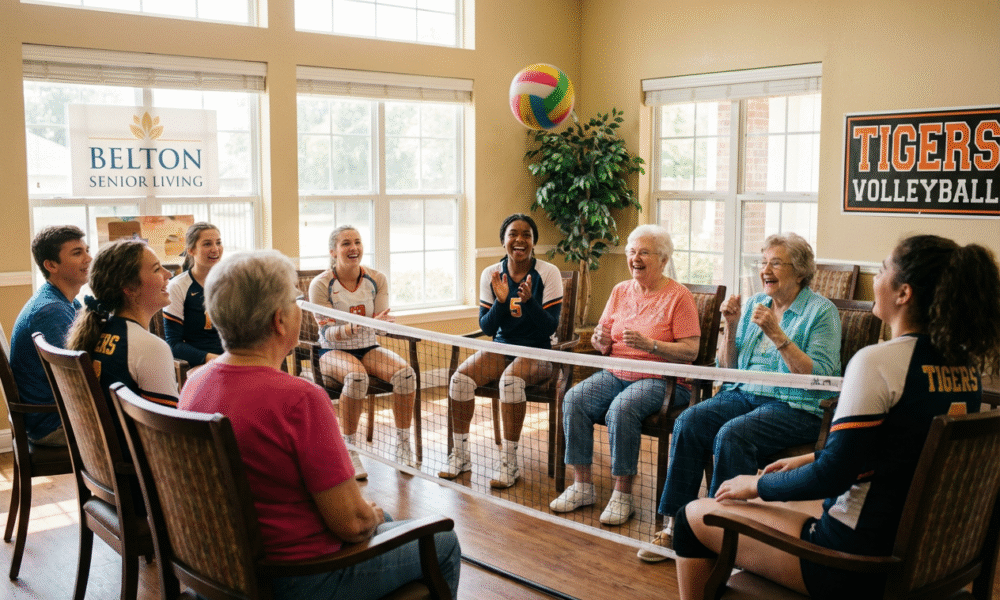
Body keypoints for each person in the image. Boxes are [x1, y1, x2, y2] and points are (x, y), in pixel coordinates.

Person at [673, 234, 1000, 600]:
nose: (876, 279)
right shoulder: (965, 368)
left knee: (691, 517)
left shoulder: (877, 362)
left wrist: (756, 484)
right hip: (929, 553)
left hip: (853, 562)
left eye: (883, 269)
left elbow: (833, 476)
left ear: (904, 293)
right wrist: (809, 457)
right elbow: (901, 448)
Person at [179, 250, 461, 600]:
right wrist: (368, 517)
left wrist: (373, 517)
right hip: (301, 578)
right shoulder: (301, 399)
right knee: (444, 541)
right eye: (296, 302)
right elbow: (353, 525)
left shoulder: (194, 383)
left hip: (222, 570)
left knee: (383, 515)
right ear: (279, 320)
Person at [640, 232, 841, 560]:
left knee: (733, 435)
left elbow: (821, 379)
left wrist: (778, 335)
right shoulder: (754, 305)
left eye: (776, 262)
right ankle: (678, 524)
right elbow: (728, 367)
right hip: (745, 393)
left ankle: (723, 534)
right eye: (763, 262)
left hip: (797, 405)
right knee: (690, 421)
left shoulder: (821, 312)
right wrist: (731, 327)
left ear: (801, 271)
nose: (766, 269)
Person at [549, 224, 701, 525]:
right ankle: (582, 486)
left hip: (662, 378)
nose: (635, 258)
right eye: (632, 252)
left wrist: (652, 345)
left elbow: (691, 351)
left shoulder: (678, 296)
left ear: (663, 259)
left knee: (621, 409)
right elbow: (602, 337)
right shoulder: (620, 290)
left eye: (644, 252)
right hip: (617, 370)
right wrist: (600, 341)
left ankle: (623, 495)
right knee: (575, 398)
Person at [439, 213, 564, 489]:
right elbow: (486, 325)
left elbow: (549, 327)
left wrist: (529, 302)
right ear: (503, 241)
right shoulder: (491, 274)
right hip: (502, 347)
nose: (519, 239)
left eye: (526, 235)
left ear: (533, 242)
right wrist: (501, 301)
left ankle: (509, 461)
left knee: (510, 381)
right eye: (513, 234)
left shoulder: (548, 273)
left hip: (540, 351)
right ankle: (460, 455)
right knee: (460, 381)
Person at [309, 225, 418, 479]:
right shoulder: (321, 284)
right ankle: (349, 449)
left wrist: (380, 325)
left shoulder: (376, 279)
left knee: (406, 375)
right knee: (357, 378)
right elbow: (327, 333)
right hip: (331, 351)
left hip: (368, 346)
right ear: (333, 251)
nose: (353, 248)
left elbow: (378, 328)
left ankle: (402, 445)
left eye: (357, 242)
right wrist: (354, 327)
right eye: (346, 243)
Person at [66, 239, 178, 406]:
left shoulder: (101, 328)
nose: (168, 274)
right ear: (129, 288)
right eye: (156, 269)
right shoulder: (149, 347)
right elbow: (167, 427)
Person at [9, 226, 92, 445]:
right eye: (77, 253)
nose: (88, 258)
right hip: (53, 423)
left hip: (53, 414)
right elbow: (75, 378)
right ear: (51, 265)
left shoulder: (65, 301)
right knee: (137, 432)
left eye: (86, 250)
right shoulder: (51, 311)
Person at [163, 222, 224, 368]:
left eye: (218, 243)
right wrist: (213, 360)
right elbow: (173, 344)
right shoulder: (177, 287)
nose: (215, 249)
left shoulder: (233, 282)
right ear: (191, 250)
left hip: (236, 360)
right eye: (207, 244)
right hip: (200, 365)